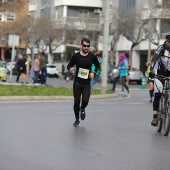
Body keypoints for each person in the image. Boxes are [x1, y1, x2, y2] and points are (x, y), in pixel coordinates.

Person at [67, 38, 100, 127]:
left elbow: (97, 65)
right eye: (84, 46)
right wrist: (70, 68)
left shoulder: (92, 56)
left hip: (86, 83)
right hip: (77, 82)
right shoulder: (76, 56)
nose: (86, 47)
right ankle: (77, 119)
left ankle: (83, 108)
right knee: (76, 102)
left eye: (88, 46)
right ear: (81, 45)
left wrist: (93, 72)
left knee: (85, 101)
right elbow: (69, 64)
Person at [150, 32, 170, 126]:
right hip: (160, 73)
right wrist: (151, 70)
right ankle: (155, 117)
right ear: (166, 41)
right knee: (157, 94)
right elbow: (155, 58)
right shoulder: (161, 48)